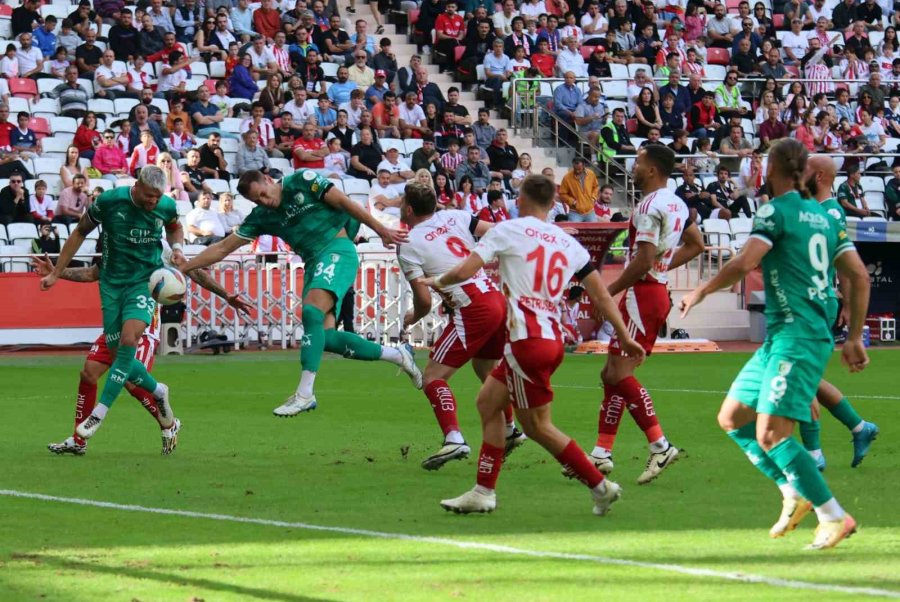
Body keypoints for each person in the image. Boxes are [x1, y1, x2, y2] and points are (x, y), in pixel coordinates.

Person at [680, 138, 870, 550]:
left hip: (797, 336)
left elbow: (745, 262)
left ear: (771, 169)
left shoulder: (775, 211)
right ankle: (793, 490)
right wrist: (854, 336)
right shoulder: (824, 216)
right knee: (732, 417)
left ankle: (834, 516)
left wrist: (702, 291)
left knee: (770, 434)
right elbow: (859, 275)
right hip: (785, 337)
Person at [422, 174, 645, 515]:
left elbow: (467, 269)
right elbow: (600, 294)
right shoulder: (567, 242)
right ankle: (483, 491)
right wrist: (625, 335)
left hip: (527, 341)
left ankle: (600, 486)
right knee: (487, 402)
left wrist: (437, 280)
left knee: (538, 427)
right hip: (549, 338)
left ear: (521, 199)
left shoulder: (507, 229)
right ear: (552, 203)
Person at [179, 169, 422, 416]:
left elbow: (344, 202)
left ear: (268, 180)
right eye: (256, 200)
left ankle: (304, 394)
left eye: (263, 194)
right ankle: (398, 354)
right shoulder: (262, 216)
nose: (263, 201)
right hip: (313, 264)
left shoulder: (302, 181)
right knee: (324, 338)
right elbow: (222, 248)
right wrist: (185, 267)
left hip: (337, 249)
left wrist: (381, 229)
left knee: (310, 311)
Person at [39, 244, 250, 456]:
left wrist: (226, 295)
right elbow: (92, 272)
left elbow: (191, 269)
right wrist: (58, 271)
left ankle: (168, 424)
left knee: (130, 382)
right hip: (116, 323)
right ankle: (78, 441)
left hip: (143, 324)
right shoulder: (115, 237)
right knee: (88, 373)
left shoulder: (158, 244)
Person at [585, 146, 705, 484]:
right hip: (653, 290)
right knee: (610, 373)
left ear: (651, 169)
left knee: (621, 374)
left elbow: (643, 257)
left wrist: (607, 291)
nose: (633, 167)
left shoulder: (648, 206)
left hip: (643, 293)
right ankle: (601, 452)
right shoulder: (678, 202)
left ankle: (660, 445)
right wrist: (660, 266)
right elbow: (696, 244)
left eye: (638, 162)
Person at [39, 167, 185, 442]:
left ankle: (99, 413)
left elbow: (175, 227)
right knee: (115, 357)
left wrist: (177, 249)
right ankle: (158, 391)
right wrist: (57, 272)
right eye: (149, 196)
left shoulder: (166, 205)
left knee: (128, 341)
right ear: (138, 186)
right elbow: (80, 232)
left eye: (158, 197)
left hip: (144, 282)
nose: (154, 202)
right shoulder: (109, 202)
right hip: (111, 286)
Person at [399, 181, 526, 469]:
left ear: (408, 209)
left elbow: (424, 300)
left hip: (472, 307)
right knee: (485, 369)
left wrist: (413, 316)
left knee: (433, 377)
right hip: (494, 296)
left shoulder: (407, 245)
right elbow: (495, 233)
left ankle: (454, 438)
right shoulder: (455, 215)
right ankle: (509, 430)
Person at [797, 155, 880, 470]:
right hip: (808, 299)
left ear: (818, 176)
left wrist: (845, 302)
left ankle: (814, 454)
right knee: (808, 377)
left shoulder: (829, 211)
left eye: (804, 169)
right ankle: (860, 427)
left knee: (797, 374)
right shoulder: (813, 208)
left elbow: (844, 262)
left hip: (814, 301)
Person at [559, 157, 599, 222]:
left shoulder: (591, 174)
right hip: (574, 212)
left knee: (594, 231)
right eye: (575, 169)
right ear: (573, 166)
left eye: (579, 169)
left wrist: (593, 198)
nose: (577, 171)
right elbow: (562, 194)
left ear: (584, 166)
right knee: (574, 231)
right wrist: (573, 202)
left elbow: (596, 187)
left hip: (590, 211)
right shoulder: (567, 178)